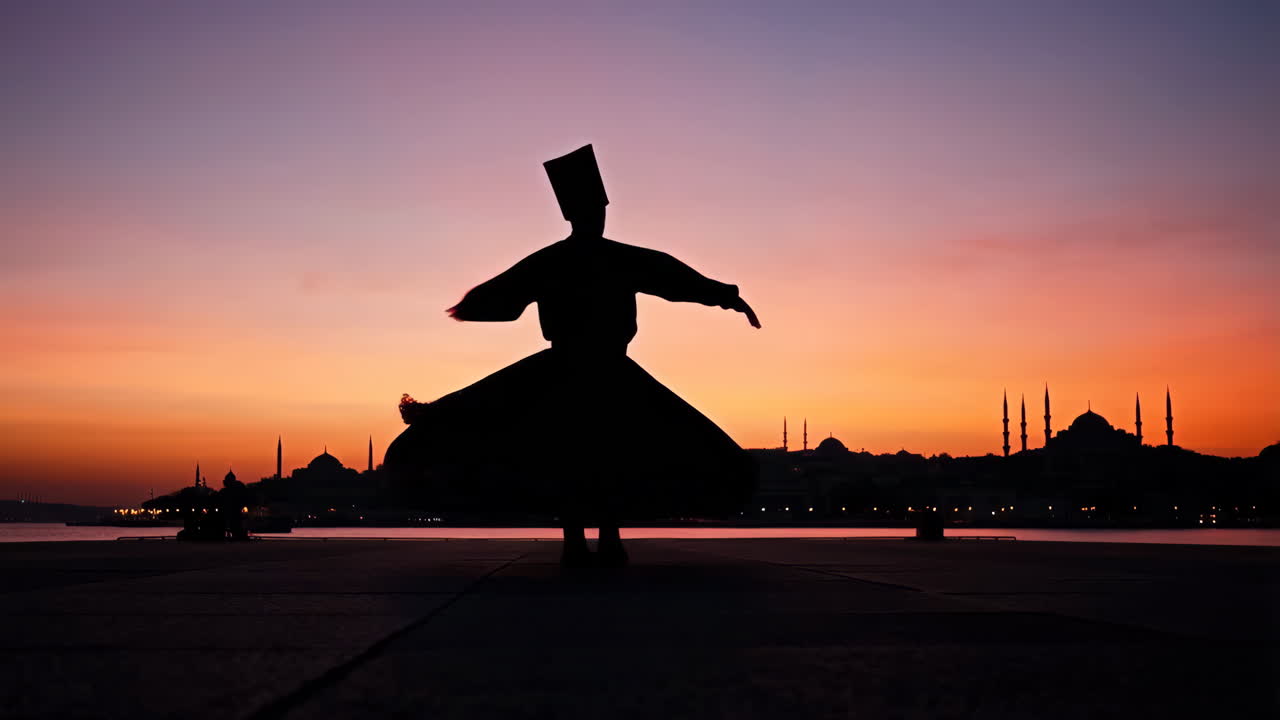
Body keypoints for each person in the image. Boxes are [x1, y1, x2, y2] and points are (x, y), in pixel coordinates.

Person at [385, 144, 759, 567]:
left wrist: (725, 297)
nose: (596, 217)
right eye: (593, 210)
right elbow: (674, 277)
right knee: (595, 454)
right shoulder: (607, 259)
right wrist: (726, 297)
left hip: (579, 370)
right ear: (584, 213)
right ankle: (596, 540)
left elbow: (675, 278)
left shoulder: (559, 262)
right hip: (595, 371)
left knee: (581, 455)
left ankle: (587, 540)